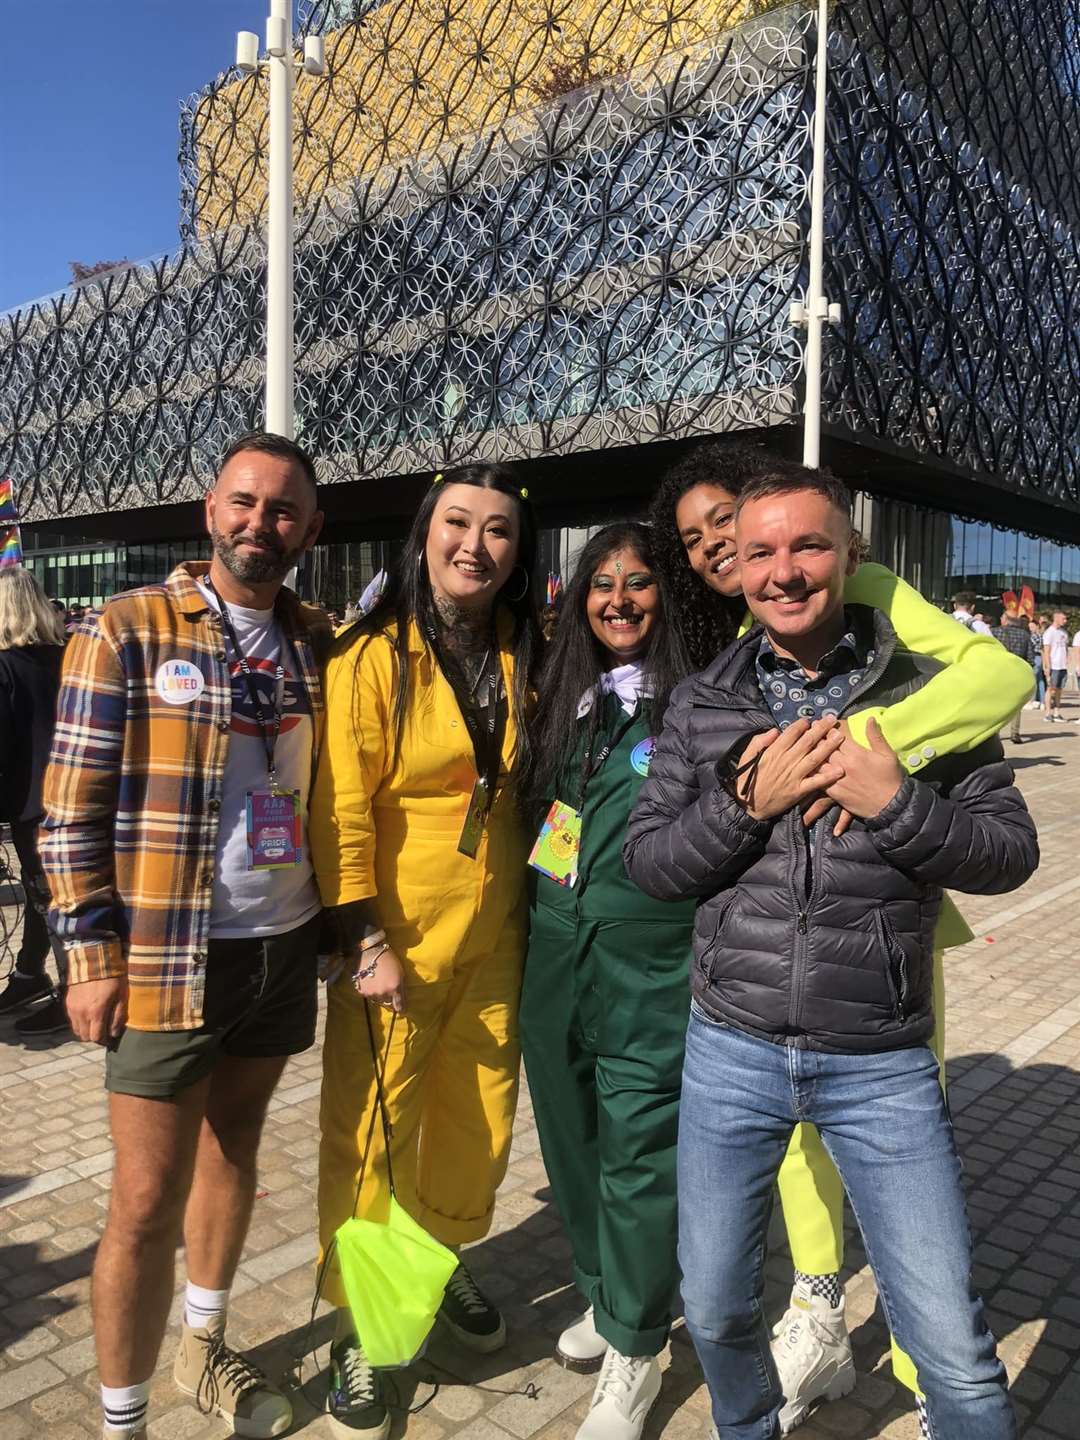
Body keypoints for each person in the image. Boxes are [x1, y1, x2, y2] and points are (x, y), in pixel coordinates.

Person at [626, 467, 1038, 1439]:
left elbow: (1007, 854)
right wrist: (743, 805)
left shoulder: (925, 691)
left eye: (807, 546)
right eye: (759, 551)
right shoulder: (702, 704)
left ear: (850, 555)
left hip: (882, 1062)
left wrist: (895, 801)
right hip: (733, 1053)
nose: (782, 571)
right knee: (722, 1310)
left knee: (954, 1351)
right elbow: (649, 864)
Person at [40, 432, 329, 1440]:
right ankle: (122, 1424)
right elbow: (64, 812)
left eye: (284, 510)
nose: (262, 524)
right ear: (211, 510)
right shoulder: (127, 628)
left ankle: (204, 1349)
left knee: (236, 1145)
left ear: (310, 528)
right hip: (168, 957)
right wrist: (88, 956)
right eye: (245, 504)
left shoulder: (312, 638)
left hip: (280, 943)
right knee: (145, 1198)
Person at [309, 464, 541, 1440]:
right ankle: (366, 1328)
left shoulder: (523, 646)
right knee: (376, 1135)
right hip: (395, 941)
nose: (474, 546)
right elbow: (341, 807)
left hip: (494, 932)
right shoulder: (370, 654)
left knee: (474, 1122)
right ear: (424, 532)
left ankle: (431, 1271)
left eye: (496, 531)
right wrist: (361, 936)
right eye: (457, 523)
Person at [518, 523, 691, 1440]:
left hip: (647, 963)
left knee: (635, 1155)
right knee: (571, 1137)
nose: (618, 600)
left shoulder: (693, 707)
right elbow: (552, 824)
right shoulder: (565, 701)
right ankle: (608, 1291)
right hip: (555, 951)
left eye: (638, 584)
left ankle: (638, 1344)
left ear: (665, 598)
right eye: (602, 585)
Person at [0, 568, 68, 1035]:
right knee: (50, 895)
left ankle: (72, 994)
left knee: (52, 899)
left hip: (32, 804)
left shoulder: (4, 665)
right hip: (78, 796)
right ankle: (30, 973)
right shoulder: (70, 656)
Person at [991, 605, 1036, 743]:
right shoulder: (1025, 635)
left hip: (998, 672)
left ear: (1005, 619)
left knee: (996, 704)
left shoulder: (994, 632)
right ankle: (1015, 733)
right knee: (1016, 705)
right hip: (1017, 673)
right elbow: (1031, 658)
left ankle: (994, 734)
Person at [1042, 610, 1070, 722]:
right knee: (1050, 689)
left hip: (1062, 665)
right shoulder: (1049, 633)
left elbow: (1065, 648)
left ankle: (1057, 713)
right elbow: (1046, 651)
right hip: (1053, 666)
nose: (1065, 621)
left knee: (1059, 689)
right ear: (1056, 618)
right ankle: (1048, 713)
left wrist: (1067, 659)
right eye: (1063, 618)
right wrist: (1047, 667)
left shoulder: (1063, 633)